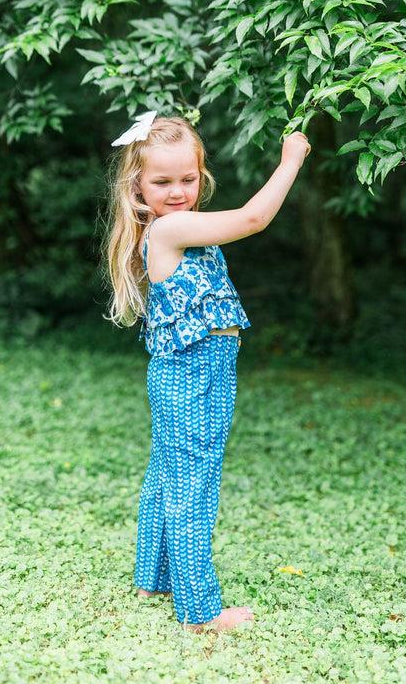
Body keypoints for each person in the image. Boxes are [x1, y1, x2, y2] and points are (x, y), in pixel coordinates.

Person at [103, 112, 311, 633]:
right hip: (193, 374)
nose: (177, 191)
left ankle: (154, 576)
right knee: (193, 483)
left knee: (168, 476)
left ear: (201, 175)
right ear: (137, 186)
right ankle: (201, 612)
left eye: (188, 179)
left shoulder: (174, 226)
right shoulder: (172, 228)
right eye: (162, 181)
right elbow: (251, 220)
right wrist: (290, 161)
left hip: (193, 371)